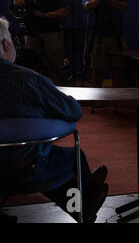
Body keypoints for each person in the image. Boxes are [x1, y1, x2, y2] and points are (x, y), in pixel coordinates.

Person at [0, 17, 109, 223]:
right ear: (6, 44)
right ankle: (85, 205)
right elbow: (72, 111)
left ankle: (86, 193)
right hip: (25, 166)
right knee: (72, 159)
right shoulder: (28, 79)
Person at [5, 0, 69, 85]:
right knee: (32, 66)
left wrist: (45, 15)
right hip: (30, 31)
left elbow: (65, 11)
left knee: (53, 67)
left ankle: (58, 95)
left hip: (51, 32)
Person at [82, 0, 129, 88]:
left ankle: (118, 103)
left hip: (115, 35)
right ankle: (97, 103)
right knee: (97, 71)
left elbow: (125, 6)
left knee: (117, 69)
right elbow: (87, 6)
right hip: (97, 36)